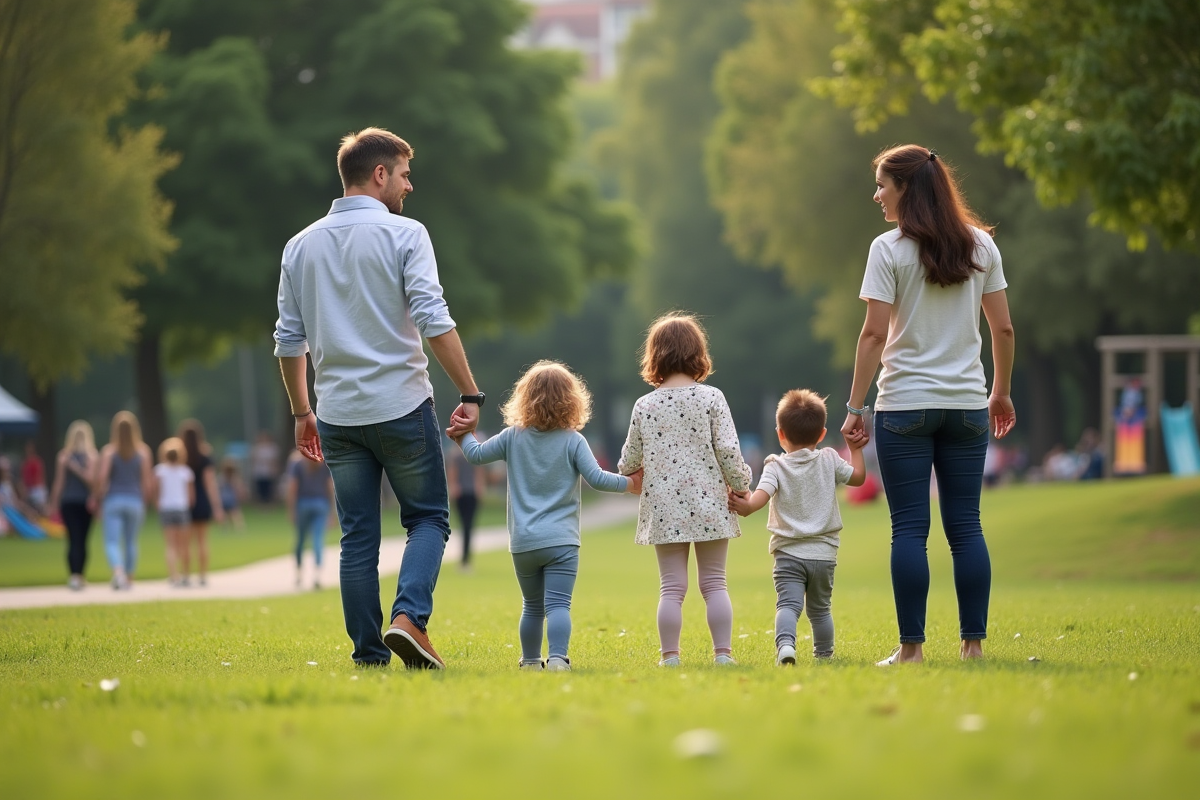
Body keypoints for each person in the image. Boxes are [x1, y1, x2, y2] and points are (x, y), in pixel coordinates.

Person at [274, 127, 482, 669]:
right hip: (402, 406)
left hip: (337, 415)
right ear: (380, 174)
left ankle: (369, 655)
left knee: (358, 537)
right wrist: (470, 390)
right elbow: (433, 319)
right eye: (405, 174)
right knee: (430, 519)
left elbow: (288, 341)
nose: (410, 186)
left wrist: (302, 412)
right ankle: (409, 618)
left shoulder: (299, 246)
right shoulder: (407, 235)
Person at [840, 144, 1016, 665]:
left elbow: (873, 335)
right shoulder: (981, 246)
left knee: (909, 529)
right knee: (966, 526)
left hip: (904, 407)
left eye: (882, 185)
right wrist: (1000, 391)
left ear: (906, 188)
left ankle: (912, 651)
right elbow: (1002, 326)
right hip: (966, 407)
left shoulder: (888, 249)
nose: (876, 195)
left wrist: (855, 407)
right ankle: (973, 646)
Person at [453, 361, 641, 672]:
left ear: (524, 398)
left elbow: (475, 455)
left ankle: (529, 662)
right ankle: (557, 659)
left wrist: (463, 435)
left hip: (524, 542)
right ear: (572, 400)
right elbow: (596, 478)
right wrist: (631, 484)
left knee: (532, 606)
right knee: (558, 605)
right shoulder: (572, 440)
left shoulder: (512, 437)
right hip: (562, 542)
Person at [618, 313, 753, 667]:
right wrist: (741, 487)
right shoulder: (712, 397)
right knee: (715, 583)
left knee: (671, 588)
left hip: (664, 507)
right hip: (710, 502)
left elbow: (628, 461)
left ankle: (670, 657)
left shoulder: (644, 405)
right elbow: (728, 451)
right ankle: (723, 655)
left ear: (655, 356)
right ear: (698, 353)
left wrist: (635, 479)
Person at [728, 390, 867, 664]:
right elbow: (859, 477)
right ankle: (824, 656)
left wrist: (744, 508)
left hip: (789, 554)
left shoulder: (775, 466)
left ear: (780, 434)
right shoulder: (829, 459)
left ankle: (786, 648)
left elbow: (758, 499)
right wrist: (855, 449)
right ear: (821, 434)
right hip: (824, 555)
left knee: (788, 606)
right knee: (821, 610)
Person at [90, 411, 153, 590]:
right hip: (135, 501)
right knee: (131, 541)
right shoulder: (143, 452)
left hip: (114, 500)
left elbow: (102, 478)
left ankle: (118, 573)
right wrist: (146, 502)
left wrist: (96, 496)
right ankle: (130, 578)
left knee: (112, 541)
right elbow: (146, 482)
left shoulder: (110, 452)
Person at [48, 421, 99, 590]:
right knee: (76, 540)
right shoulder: (68, 456)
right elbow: (59, 483)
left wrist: (74, 467)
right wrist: (54, 503)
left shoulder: (88, 457)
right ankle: (76, 575)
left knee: (79, 540)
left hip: (82, 503)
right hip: (71, 502)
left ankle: (78, 575)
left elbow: (92, 481)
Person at [178, 419, 224, 587]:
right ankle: (203, 576)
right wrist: (217, 507)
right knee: (202, 541)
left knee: (186, 542)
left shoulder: (180, 456)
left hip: (184, 501)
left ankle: (185, 575)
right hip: (202, 501)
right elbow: (210, 483)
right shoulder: (205, 456)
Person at [286, 450, 335, 591]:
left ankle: (299, 574)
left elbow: (292, 488)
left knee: (300, 539)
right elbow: (330, 487)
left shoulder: (297, 463)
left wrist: (291, 509)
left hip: (303, 504)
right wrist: (332, 511)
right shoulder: (323, 462)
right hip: (321, 504)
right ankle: (317, 576)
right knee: (318, 540)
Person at [154, 437, 194, 586]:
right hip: (181, 508)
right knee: (184, 545)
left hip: (166, 508)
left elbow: (156, 491)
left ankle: (173, 575)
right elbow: (191, 495)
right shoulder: (185, 471)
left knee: (170, 545)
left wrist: (158, 503)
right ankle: (186, 575)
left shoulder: (160, 471)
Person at [445, 434, 486, 570]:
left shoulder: (463, 454)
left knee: (467, 526)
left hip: (469, 492)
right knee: (466, 526)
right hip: (463, 492)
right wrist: (454, 486)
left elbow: (478, 472)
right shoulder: (459, 455)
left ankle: (465, 559)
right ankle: (465, 559)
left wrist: (478, 487)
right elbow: (453, 473)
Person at [250, 431, 281, 503]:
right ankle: (261, 503)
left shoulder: (273, 448)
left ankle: (269, 503)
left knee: (269, 488)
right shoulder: (257, 448)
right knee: (261, 489)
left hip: (269, 472)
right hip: (259, 472)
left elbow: (275, 460)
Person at [218, 457, 246, 529]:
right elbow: (239, 488)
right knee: (234, 514)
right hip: (229, 499)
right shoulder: (230, 478)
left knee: (230, 515)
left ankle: (227, 528)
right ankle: (239, 528)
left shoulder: (222, 477)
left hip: (225, 498)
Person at [20, 441, 47, 514]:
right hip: (28, 489)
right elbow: (23, 477)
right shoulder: (25, 462)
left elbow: (40, 475)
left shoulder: (37, 461)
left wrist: (40, 488)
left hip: (36, 488)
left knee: (40, 509)